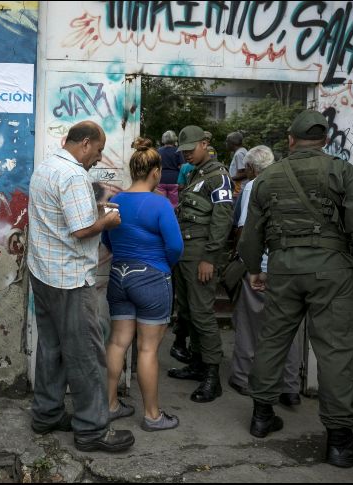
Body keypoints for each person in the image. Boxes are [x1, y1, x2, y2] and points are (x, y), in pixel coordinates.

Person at [238, 110, 353, 468]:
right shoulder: (341, 170)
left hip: (284, 269)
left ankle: (261, 417)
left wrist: (256, 268)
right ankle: (340, 441)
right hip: (331, 271)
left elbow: (250, 237)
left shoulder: (266, 179)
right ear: (325, 140)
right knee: (334, 352)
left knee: (273, 339)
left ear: (290, 140)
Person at [27, 121, 134, 453]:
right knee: (86, 355)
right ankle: (91, 429)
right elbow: (80, 230)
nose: (99, 159)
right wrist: (107, 220)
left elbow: (61, 218)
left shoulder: (46, 166)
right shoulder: (74, 176)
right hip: (70, 280)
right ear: (85, 143)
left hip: (44, 273)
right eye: (98, 151)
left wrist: (94, 211)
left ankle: (47, 414)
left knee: (52, 348)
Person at [102, 137, 183, 431]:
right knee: (148, 350)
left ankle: (109, 405)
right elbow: (175, 247)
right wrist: (161, 265)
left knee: (117, 341)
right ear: (155, 172)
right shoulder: (160, 204)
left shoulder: (116, 200)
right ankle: (152, 416)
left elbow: (106, 238)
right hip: (151, 277)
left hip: (118, 275)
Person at [228, 146, 301, 406]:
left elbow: (245, 230)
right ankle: (290, 386)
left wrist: (250, 264)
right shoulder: (293, 182)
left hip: (261, 267)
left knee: (249, 324)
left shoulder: (253, 186)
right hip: (290, 267)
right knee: (287, 328)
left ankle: (244, 377)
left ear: (250, 169)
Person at [168, 125, 234, 404]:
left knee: (203, 314)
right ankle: (196, 363)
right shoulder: (197, 173)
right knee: (188, 312)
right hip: (186, 253)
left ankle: (211, 377)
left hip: (201, 255)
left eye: (190, 150)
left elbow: (222, 219)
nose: (185, 156)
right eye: (182, 152)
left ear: (205, 143)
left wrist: (209, 257)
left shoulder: (218, 175)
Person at [157, 130, 183, 208]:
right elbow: (181, 166)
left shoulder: (158, 151)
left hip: (161, 179)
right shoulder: (178, 151)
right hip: (174, 179)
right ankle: (173, 217)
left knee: (161, 202)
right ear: (174, 139)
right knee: (174, 203)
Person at [226, 131, 248, 197]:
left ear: (232, 143)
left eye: (227, 141)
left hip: (239, 190)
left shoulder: (239, 154)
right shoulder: (242, 151)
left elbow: (244, 173)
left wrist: (228, 179)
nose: (226, 144)